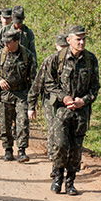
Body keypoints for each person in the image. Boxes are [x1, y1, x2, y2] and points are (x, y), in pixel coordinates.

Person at [45, 26, 100, 195]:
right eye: (78, 39)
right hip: (62, 111)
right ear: (69, 40)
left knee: (76, 150)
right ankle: (58, 177)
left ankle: (70, 182)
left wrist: (83, 101)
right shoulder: (57, 59)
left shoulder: (91, 60)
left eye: (84, 39)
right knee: (61, 145)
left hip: (81, 112)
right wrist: (64, 97)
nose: (81, 42)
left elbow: (94, 87)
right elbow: (49, 84)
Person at [0, 29, 36, 163]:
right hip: (5, 95)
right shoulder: (0, 55)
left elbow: (33, 79)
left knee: (22, 123)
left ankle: (22, 150)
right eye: (4, 42)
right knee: (5, 123)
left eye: (9, 42)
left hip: (22, 94)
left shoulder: (27, 55)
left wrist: (33, 99)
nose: (6, 45)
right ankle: (8, 149)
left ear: (17, 41)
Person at [27, 33, 69, 177]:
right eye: (61, 47)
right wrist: (31, 105)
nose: (62, 49)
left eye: (65, 47)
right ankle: (55, 164)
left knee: (66, 134)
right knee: (53, 131)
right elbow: (37, 84)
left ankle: (63, 162)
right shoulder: (50, 61)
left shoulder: (73, 62)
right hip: (50, 102)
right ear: (56, 46)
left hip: (67, 104)